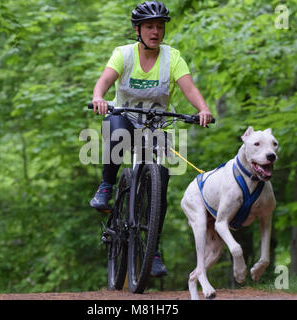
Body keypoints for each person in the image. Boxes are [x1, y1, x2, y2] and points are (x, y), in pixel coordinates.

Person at [90, 1, 213, 277]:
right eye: (149, 26)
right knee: (117, 131)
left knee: (162, 180)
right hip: (125, 117)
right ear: (138, 29)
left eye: (160, 26)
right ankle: (107, 186)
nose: (155, 32)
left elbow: (189, 88)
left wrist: (203, 109)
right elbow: (104, 81)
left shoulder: (173, 57)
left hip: (157, 124)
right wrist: (99, 97)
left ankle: (153, 250)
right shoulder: (124, 54)